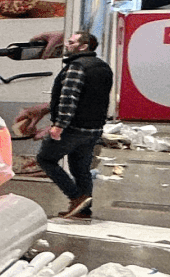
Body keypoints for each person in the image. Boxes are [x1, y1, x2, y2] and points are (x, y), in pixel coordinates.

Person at [36, 30, 113, 219]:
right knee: (81, 169)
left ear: (83, 46)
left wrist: (59, 125)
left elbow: (69, 98)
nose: (67, 45)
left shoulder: (77, 66)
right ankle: (83, 209)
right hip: (94, 128)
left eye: (71, 42)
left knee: (45, 159)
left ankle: (76, 197)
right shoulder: (103, 67)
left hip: (73, 128)